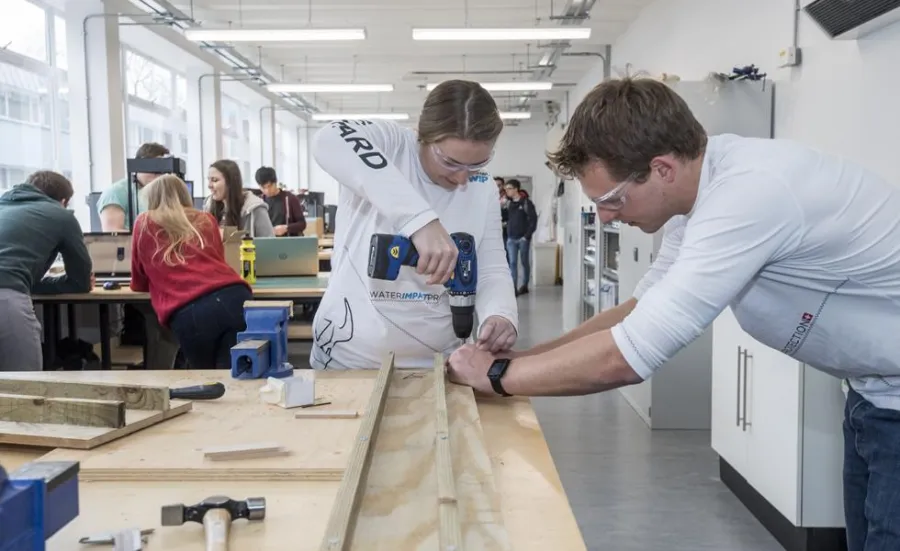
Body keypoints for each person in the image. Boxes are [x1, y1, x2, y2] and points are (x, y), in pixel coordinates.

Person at [446, 77, 900, 551]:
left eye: (612, 200)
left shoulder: (749, 195)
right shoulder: (701, 195)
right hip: (873, 395)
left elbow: (630, 355)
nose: (604, 218)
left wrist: (497, 375)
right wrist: (528, 356)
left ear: (661, 169)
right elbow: (637, 312)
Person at [309, 79, 518, 370]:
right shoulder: (391, 146)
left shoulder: (482, 188)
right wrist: (420, 222)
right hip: (349, 359)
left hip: (440, 363)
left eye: (476, 165)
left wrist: (500, 314)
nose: (462, 178)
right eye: (450, 162)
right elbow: (327, 139)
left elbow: (491, 267)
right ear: (423, 136)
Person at [131, 174, 252, 369]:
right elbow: (216, 260)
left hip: (192, 309)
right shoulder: (206, 219)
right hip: (235, 296)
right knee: (235, 375)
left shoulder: (144, 222)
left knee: (206, 381)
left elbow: (138, 281)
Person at [0, 171, 92, 370]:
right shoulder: (61, 216)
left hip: (9, 287)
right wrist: (49, 283)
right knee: (24, 385)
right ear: (63, 201)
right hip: (7, 299)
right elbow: (80, 281)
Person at [98, 142, 169, 231]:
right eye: (155, 169)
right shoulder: (116, 193)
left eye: (162, 171)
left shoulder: (160, 193)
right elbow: (113, 232)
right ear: (140, 165)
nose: (159, 175)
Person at [205, 159, 274, 237]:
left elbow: (270, 245)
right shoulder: (209, 206)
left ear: (230, 182)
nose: (209, 185)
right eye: (208, 180)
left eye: (214, 180)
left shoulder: (254, 209)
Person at [503, 178, 537, 296]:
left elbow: (533, 221)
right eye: (505, 189)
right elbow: (504, 218)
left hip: (523, 238)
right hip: (511, 238)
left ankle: (525, 285)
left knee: (524, 262)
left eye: (509, 189)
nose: (507, 191)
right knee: (512, 263)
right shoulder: (508, 203)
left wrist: (526, 236)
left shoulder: (526, 203)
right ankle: (513, 288)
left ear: (516, 189)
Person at [255, 166, 307, 236]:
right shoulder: (258, 202)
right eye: (263, 188)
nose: (267, 190)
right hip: (267, 242)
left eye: (270, 186)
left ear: (275, 182)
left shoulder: (290, 199)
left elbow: (302, 224)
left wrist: (286, 228)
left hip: (288, 242)